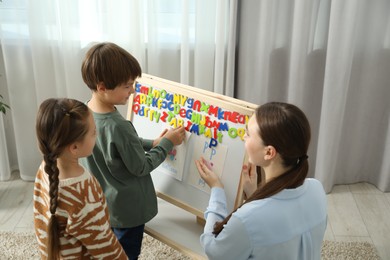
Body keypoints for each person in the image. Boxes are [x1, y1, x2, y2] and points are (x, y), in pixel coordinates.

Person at [80, 42, 186, 260]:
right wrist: (167, 143)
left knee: (110, 249)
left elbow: (121, 146)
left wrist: (152, 142)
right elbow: (142, 166)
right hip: (129, 210)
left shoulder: (85, 113)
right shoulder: (118, 125)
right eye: (127, 86)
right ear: (102, 87)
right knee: (126, 254)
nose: (133, 91)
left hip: (104, 204)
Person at [195, 102, 327, 260]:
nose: (243, 136)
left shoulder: (246, 220)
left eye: (248, 134)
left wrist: (217, 189)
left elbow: (213, 251)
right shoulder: (317, 189)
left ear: (269, 152)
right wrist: (255, 195)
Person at [33, 98, 127, 260]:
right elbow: (104, 245)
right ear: (75, 147)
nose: (96, 135)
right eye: (93, 132)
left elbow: (41, 220)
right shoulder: (83, 193)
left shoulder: (46, 167)